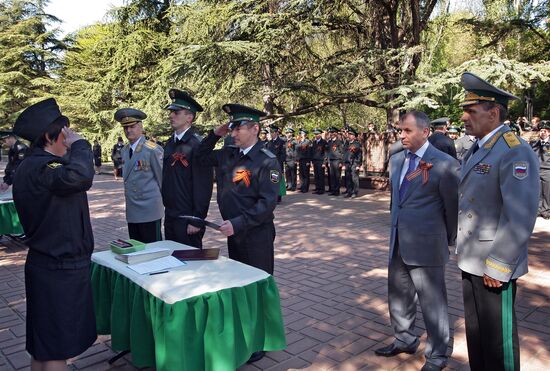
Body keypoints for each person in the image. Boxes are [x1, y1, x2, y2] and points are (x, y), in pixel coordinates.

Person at [457, 72, 539, 371]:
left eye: (471, 111)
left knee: (498, 341)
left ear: (493, 113)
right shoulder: (479, 147)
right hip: (471, 259)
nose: (464, 117)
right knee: (477, 335)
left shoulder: (514, 150)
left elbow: (519, 215)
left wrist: (500, 264)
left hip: (493, 264)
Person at [12, 98, 97, 371]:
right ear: (51, 136)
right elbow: (81, 176)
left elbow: (69, 174)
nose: (68, 137)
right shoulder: (44, 168)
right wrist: (81, 144)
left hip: (44, 263)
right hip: (60, 268)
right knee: (57, 350)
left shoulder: (29, 166)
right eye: (65, 132)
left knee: (44, 347)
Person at [195, 103, 280, 364]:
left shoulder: (267, 160)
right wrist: (215, 134)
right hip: (234, 232)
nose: (234, 133)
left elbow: (268, 203)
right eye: (232, 127)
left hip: (256, 234)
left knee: (256, 287)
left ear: (255, 128)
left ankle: (259, 341)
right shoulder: (228, 154)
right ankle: (244, 335)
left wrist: (240, 223)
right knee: (240, 286)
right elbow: (199, 156)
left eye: (238, 127)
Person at [375, 110, 459, 371]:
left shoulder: (444, 164)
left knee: (432, 301)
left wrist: (445, 238)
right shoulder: (399, 158)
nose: (402, 136)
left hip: (428, 242)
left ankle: (437, 355)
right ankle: (405, 338)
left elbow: (452, 207)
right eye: (400, 130)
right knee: (398, 295)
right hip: (399, 239)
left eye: (407, 131)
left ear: (425, 132)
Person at [162, 89, 213, 247]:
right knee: (172, 263)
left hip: (188, 219)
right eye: (171, 112)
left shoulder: (197, 145)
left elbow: (203, 186)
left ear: (189, 117)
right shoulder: (170, 143)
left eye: (176, 112)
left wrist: (197, 220)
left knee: (190, 266)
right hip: (171, 215)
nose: (171, 116)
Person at [115, 108, 164, 243]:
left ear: (141, 126)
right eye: (125, 127)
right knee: (137, 249)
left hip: (149, 209)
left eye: (132, 126)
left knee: (153, 251)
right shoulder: (125, 150)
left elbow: (162, 180)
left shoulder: (152, 149)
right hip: (132, 210)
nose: (128, 130)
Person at [531, 121, 550, 219]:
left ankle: (546, 211)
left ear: (549, 132)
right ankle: (538, 210)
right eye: (541, 130)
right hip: (537, 170)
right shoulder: (534, 143)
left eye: (545, 131)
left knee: (547, 192)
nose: (543, 132)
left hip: (548, 170)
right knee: (537, 191)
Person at [266, 124, 286, 202]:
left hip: (277, 164)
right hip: (270, 164)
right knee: (272, 180)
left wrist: (278, 162)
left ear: (277, 132)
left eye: (273, 132)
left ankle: (278, 197)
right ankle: (273, 195)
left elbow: (283, 154)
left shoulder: (281, 142)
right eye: (271, 132)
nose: (271, 134)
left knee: (276, 180)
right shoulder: (269, 143)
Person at [343, 127, 362, 198]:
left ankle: (355, 192)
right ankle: (349, 191)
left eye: (351, 135)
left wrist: (358, 164)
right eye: (349, 134)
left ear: (354, 136)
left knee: (354, 178)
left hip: (354, 163)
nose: (349, 136)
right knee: (348, 178)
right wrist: (344, 163)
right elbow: (344, 154)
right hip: (347, 163)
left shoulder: (357, 144)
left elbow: (359, 155)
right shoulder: (346, 144)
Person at [326, 127, 344, 195]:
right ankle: (333, 190)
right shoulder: (329, 142)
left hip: (337, 161)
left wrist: (341, 162)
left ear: (336, 133)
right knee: (332, 176)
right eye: (331, 133)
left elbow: (342, 153)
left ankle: (337, 191)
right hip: (331, 161)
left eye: (333, 133)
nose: (331, 134)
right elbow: (328, 152)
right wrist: (328, 161)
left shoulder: (339, 142)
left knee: (337, 176)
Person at [311, 128, 327, 194]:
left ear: (320, 134)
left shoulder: (323, 142)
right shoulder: (314, 142)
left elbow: (325, 153)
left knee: (321, 176)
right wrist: (312, 161)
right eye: (315, 134)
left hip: (321, 161)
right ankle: (317, 188)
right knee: (316, 175)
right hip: (315, 161)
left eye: (317, 134)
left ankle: (321, 189)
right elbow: (312, 152)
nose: (316, 135)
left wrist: (324, 162)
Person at [296, 128, 311, 193]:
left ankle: (305, 188)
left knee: (305, 174)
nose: (300, 134)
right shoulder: (300, 141)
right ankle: (302, 187)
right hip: (301, 160)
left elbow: (309, 152)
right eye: (300, 133)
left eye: (301, 133)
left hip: (305, 160)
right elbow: (298, 151)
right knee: (301, 174)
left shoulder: (307, 141)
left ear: (305, 134)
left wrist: (308, 161)